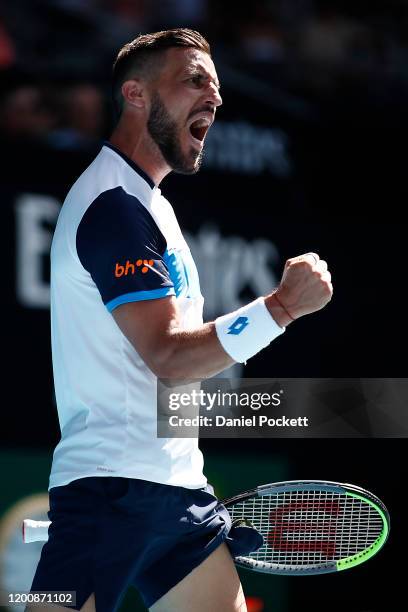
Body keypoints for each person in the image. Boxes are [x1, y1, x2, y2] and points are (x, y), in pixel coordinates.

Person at [28, 28, 332, 612]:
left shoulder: (152, 206)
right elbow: (166, 354)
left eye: (216, 88)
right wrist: (282, 308)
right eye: (194, 80)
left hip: (178, 495)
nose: (213, 99)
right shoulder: (111, 207)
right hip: (110, 491)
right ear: (136, 94)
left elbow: (174, 372)